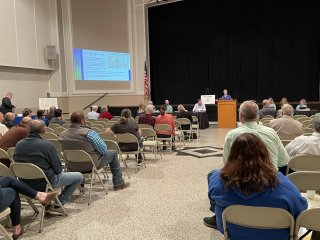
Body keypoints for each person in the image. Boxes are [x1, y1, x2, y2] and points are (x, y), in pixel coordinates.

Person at [205, 133, 308, 240]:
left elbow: (213, 199)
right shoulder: (284, 186)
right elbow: (301, 211)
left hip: (233, 233)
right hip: (276, 236)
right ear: (264, 154)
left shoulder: (216, 179)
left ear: (232, 155)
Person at [14, 120, 83, 209]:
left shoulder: (18, 144)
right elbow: (58, 170)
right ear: (44, 131)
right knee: (79, 176)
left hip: (24, 182)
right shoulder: (48, 145)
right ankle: (60, 202)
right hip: (45, 183)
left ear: (28, 130)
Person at [60, 111, 129, 190]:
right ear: (82, 121)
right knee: (113, 153)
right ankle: (118, 183)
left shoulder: (63, 134)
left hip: (72, 166)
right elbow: (103, 150)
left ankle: (80, 185)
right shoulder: (89, 133)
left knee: (78, 155)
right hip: (90, 165)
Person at [223, 101, 289, 172]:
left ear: (241, 116)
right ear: (258, 116)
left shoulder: (231, 135)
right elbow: (284, 161)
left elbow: (227, 163)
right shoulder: (271, 132)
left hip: (240, 179)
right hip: (270, 178)